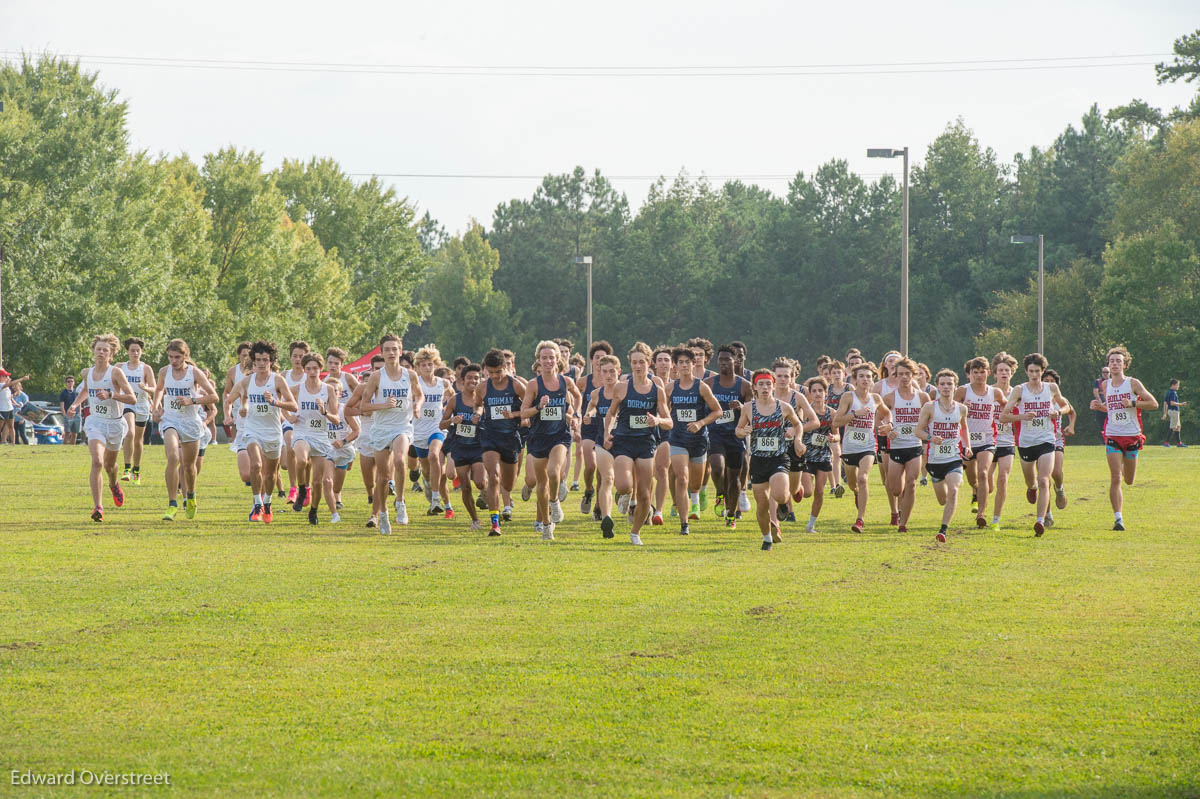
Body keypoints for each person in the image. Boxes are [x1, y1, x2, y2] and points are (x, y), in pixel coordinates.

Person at [602, 342, 671, 545]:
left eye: (642, 362)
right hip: (623, 440)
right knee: (624, 484)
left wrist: (657, 421)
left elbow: (669, 421)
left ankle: (635, 532)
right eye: (634, 362)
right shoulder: (622, 387)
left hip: (646, 443)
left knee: (644, 493)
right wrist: (607, 432)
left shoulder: (657, 390)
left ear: (649, 363)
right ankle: (623, 494)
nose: (638, 366)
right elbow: (611, 413)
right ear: (630, 364)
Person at [65, 334, 137, 522]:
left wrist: (112, 394)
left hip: (115, 424)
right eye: (98, 349)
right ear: (94, 351)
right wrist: (75, 405)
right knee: (97, 461)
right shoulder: (88, 372)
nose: (101, 352)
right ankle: (98, 506)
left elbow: (132, 398)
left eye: (105, 350)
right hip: (95, 421)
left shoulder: (115, 373)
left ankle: (114, 485)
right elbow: (87, 390)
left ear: (111, 354)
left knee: (109, 465)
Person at [1000, 353, 1071, 536]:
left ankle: (1040, 520)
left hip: (1047, 440)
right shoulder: (1019, 390)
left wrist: (1058, 412)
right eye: (1031, 371)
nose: (1034, 374)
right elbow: (1003, 416)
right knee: (1032, 482)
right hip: (1026, 442)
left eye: (1037, 371)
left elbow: (1067, 406)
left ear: (1042, 371)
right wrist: (1021, 416)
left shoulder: (1051, 388)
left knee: (1044, 480)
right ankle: (1031, 489)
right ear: (1026, 372)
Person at [735, 369, 807, 551]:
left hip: (779, 458)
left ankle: (783, 505)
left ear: (773, 386)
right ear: (755, 387)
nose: (765, 388)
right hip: (758, 460)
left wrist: (797, 439)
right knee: (762, 504)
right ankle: (767, 538)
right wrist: (743, 432)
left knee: (781, 494)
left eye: (768, 384)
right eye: (761, 384)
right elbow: (738, 429)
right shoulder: (748, 408)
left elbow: (798, 424)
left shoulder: (783, 407)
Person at [359, 334, 424, 534]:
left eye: (394, 349)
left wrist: (417, 407)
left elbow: (419, 395)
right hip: (381, 429)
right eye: (387, 349)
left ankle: (400, 502)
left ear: (400, 350)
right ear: (381, 352)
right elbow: (363, 405)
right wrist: (383, 405)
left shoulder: (410, 375)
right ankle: (383, 513)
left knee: (399, 460)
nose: (391, 353)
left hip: (402, 427)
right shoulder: (377, 377)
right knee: (383, 477)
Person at [227, 340, 298, 524]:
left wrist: (275, 402)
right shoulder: (247, 381)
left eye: (265, 360)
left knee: (270, 473)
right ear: (253, 360)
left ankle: (267, 502)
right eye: (258, 359)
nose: (261, 363)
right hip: (253, 430)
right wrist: (233, 410)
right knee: (256, 465)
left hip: (273, 431)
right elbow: (229, 397)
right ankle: (257, 504)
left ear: (271, 361)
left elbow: (293, 405)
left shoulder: (278, 380)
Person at [1089, 346, 1158, 532]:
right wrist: (1099, 406)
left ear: (1125, 364)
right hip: (1112, 434)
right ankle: (1118, 519)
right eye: (1112, 361)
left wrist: (1133, 403)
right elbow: (1111, 408)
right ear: (1108, 365)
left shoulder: (1133, 383)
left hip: (1132, 435)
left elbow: (1153, 404)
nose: (1115, 364)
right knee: (1115, 477)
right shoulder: (1105, 385)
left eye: (1118, 361)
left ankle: (1124, 467)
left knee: (1128, 480)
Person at [519, 341, 581, 540]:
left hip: (559, 436)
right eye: (544, 358)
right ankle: (546, 525)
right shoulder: (533, 385)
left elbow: (578, 397)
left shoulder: (566, 382)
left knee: (554, 472)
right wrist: (539, 407)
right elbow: (523, 413)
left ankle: (554, 502)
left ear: (558, 360)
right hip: (538, 438)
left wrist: (576, 415)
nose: (548, 361)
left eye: (551, 357)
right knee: (541, 484)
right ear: (538, 360)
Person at [151, 339, 219, 521]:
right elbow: (158, 389)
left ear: (185, 356)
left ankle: (191, 496)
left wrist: (192, 401)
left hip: (190, 421)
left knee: (189, 467)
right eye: (171, 357)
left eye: (177, 357)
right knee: (173, 457)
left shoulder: (194, 373)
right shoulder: (165, 371)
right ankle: (172, 504)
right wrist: (156, 407)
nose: (173, 361)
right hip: (170, 419)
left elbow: (214, 397)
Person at [666, 346, 722, 536]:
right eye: (680, 362)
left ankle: (696, 499)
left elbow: (718, 411)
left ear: (693, 364)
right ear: (676, 366)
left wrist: (700, 423)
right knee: (681, 478)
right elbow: (662, 409)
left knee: (694, 484)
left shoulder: (701, 386)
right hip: (677, 439)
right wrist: (663, 419)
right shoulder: (670, 387)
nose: (683, 365)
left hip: (698, 440)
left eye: (687, 362)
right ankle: (684, 523)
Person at [472, 348, 526, 536]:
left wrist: (518, 415)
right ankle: (495, 524)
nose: (494, 376)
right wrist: (477, 414)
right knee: (493, 477)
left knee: (508, 484)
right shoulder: (483, 387)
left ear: (506, 368)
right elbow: (478, 404)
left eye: (498, 372)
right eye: (490, 372)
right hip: (490, 435)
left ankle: (505, 499)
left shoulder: (517, 385)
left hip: (510, 437)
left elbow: (528, 407)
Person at [833, 361, 890, 534]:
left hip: (868, 445)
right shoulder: (848, 397)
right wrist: (855, 414)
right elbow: (836, 421)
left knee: (863, 478)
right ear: (855, 379)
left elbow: (887, 413)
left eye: (869, 377)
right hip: (850, 447)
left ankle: (860, 520)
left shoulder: (876, 399)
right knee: (853, 484)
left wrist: (889, 424)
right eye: (862, 376)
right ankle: (857, 493)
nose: (866, 380)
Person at [916, 369, 972, 542]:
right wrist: (931, 438)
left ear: (955, 386)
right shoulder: (929, 407)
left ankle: (943, 530)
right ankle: (941, 494)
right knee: (942, 499)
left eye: (950, 384)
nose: (946, 387)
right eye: (942, 384)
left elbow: (964, 428)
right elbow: (918, 431)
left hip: (954, 457)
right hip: (934, 460)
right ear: (938, 387)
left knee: (954, 490)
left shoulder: (962, 409)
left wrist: (967, 446)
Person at [290, 352, 342, 525]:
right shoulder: (297, 389)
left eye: (315, 368)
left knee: (318, 482)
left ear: (321, 369)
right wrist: (288, 417)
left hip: (320, 435)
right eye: (308, 369)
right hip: (301, 432)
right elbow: (280, 402)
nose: (312, 372)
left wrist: (324, 412)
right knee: (302, 461)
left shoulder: (328, 390)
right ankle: (302, 490)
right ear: (304, 370)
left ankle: (313, 510)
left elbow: (336, 419)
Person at [956, 357, 1007, 529]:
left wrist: (1015, 415)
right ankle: (975, 491)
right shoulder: (963, 391)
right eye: (975, 372)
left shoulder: (995, 392)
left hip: (987, 439)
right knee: (973, 478)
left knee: (983, 473)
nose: (978, 375)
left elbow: (1009, 407)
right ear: (970, 374)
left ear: (988, 373)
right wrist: (963, 406)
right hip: (967, 440)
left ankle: (981, 514)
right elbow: (948, 410)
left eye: (982, 372)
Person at [705, 346, 752, 527]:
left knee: (735, 479)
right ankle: (720, 494)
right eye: (721, 360)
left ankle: (731, 514)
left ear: (735, 361)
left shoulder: (744, 385)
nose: (723, 363)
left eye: (727, 360)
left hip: (736, 436)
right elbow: (703, 408)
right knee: (717, 468)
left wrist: (740, 407)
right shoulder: (709, 383)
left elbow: (751, 414)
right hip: (715, 434)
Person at [882, 357, 929, 534]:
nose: (903, 377)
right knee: (895, 489)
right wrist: (887, 429)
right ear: (895, 375)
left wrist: (926, 433)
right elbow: (879, 418)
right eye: (900, 374)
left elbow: (931, 417)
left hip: (914, 446)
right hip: (896, 446)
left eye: (907, 374)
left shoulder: (922, 397)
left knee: (911, 483)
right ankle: (899, 506)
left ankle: (904, 523)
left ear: (914, 375)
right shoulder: (889, 398)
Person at [441, 363, 487, 532]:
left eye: (476, 378)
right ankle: (475, 520)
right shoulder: (455, 400)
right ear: (463, 380)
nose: (473, 381)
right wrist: (452, 421)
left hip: (478, 446)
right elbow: (441, 424)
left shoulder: (484, 399)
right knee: (465, 486)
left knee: (481, 482)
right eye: (469, 378)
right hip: (460, 447)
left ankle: (493, 510)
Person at [411, 345, 453, 515]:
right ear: (418, 367)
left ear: (435, 365)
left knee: (434, 455)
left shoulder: (443, 383)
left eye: (430, 364)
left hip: (437, 428)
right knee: (427, 470)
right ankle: (428, 483)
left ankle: (436, 499)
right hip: (418, 431)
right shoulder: (415, 383)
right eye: (423, 365)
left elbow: (453, 397)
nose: (427, 368)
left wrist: (447, 412)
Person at [575, 340, 613, 517]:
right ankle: (589, 490)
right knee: (590, 465)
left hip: (607, 428)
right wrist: (577, 416)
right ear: (592, 361)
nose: (600, 361)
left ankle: (599, 505)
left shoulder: (615, 382)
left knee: (602, 471)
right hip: (589, 427)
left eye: (603, 358)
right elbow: (574, 399)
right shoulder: (583, 382)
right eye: (597, 358)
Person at [582, 354, 620, 531]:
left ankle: (628, 497)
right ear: (600, 372)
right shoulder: (596, 393)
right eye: (605, 371)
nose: (609, 375)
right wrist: (588, 414)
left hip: (625, 440)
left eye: (612, 371)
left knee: (624, 483)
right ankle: (607, 518)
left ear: (618, 371)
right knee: (607, 478)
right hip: (602, 441)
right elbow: (591, 406)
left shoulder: (626, 390)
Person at [324, 347, 361, 511]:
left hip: (348, 417)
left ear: (342, 365)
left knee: (346, 462)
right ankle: (335, 497)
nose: (332, 366)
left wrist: (356, 408)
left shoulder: (348, 378)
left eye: (336, 363)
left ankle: (345, 461)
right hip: (329, 423)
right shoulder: (323, 382)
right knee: (330, 465)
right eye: (330, 362)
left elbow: (361, 393)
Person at [800, 376, 837, 533]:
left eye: (820, 391)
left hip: (823, 455)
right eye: (814, 391)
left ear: (826, 393)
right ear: (809, 393)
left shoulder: (832, 413)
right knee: (807, 492)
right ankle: (792, 490)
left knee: (819, 492)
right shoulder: (805, 411)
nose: (817, 394)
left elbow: (837, 434)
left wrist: (834, 438)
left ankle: (811, 525)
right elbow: (798, 429)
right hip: (806, 454)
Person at [118, 337, 157, 485]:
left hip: (142, 405)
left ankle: (136, 470)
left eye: (138, 351)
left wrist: (145, 388)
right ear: (127, 351)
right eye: (132, 350)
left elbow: (155, 388)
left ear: (141, 352)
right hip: (128, 404)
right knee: (130, 432)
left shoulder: (146, 368)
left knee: (138, 439)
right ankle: (127, 468)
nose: (135, 353)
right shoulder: (120, 367)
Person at [988, 352, 1019, 530]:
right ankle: (980, 507)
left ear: (1012, 373)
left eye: (1007, 370)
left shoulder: (1018, 393)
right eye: (1000, 370)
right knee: (987, 483)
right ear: (995, 373)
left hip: (1007, 441)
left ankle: (996, 519)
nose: (1004, 374)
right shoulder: (988, 392)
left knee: (1003, 479)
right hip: (989, 442)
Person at [1041, 368, 1075, 527]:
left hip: (1057, 439)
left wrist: (1071, 426)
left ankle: (1059, 488)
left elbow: (1071, 411)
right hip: (1039, 440)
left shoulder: (1060, 399)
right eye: (1045, 381)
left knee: (1056, 472)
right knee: (1044, 478)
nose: (1048, 384)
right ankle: (1047, 514)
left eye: (1051, 382)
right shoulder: (1034, 398)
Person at [1162, 379, 1186, 447]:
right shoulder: (1173, 393)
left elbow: (1165, 403)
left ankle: (1179, 443)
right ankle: (1166, 443)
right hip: (1174, 411)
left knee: (1178, 427)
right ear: (1173, 385)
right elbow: (1172, 403)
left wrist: (1165, 413)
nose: (1178, 386)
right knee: (1173, 427)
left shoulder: (1168, 392)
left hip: (1171, 411)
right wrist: (1181, 404)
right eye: (1177, 385)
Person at [59, 375, 81, 445]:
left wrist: (79, 413)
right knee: (67, 433)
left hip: (76, 414)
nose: (70, 383)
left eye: (72, 381)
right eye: (68, 381)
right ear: (66, 383)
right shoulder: (63, 393)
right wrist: (65, 415)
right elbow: (62, 405)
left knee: (74, 434)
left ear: (74, 382)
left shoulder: (76, 392)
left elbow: (79, 403)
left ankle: (72, 448)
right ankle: (65, 447)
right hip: (68, 415)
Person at [1092, 365, 1110, 443]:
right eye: (1104, 372)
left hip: (1110, 407)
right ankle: (1103, 442)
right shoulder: (1098, 381)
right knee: (1101, 426)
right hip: (1101, 407)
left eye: (1107, 372)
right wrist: (1100, 402)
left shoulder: (1112, 381)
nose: (1105, 374)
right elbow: (1096, 392)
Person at [11, 380, 30, 445]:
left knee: (22, 434)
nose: (14, 387)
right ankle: (17, 446)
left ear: (20, 387)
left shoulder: (24, 396)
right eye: (14, 386)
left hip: (20, 418)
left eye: (16, 386)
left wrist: (23, 418)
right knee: (15, 434)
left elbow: (26, 407)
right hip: (13, 418)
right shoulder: (12, 396)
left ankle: (27, 445)